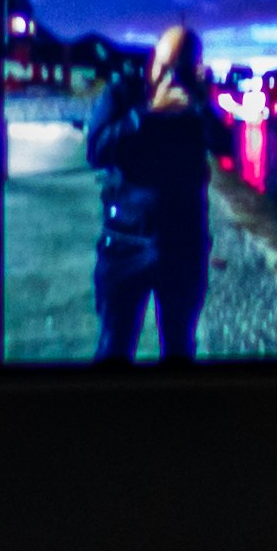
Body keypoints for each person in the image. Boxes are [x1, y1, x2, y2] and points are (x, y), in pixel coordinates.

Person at [82, 20, 221, 361]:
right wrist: (147, 115)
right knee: (114, 347)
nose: (171, 75)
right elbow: (97, 151)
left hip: (184, 245)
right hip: (125, 243)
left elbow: (226, 145)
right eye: (165, 64)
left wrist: (202, 106)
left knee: (180, 349)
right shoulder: (122, 93)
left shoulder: (195, 102)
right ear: (152, 59)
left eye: (182, 66)